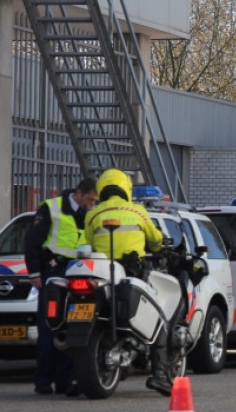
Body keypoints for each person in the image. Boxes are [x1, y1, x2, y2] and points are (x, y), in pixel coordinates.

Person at [84, 169, 169, 395]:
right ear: (126, 189)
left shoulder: (93, 214)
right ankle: (160, 374)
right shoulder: (138, 211)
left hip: (101, 274)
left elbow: (87, 243)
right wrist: (159, 246)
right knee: (157, 316)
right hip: (132, 273)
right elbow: (155, 239)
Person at [24, 177, 99, 396]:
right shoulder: (51, 208)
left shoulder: (91, 213)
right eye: (89, 199)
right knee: (49, 326)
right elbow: (32, 242)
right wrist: (35, 274)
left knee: (75, 324)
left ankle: (65, 381)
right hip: (54, 271)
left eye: (95, 201)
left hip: (80, 271)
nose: (92, 205)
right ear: (78, 192)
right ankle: (43, 380)